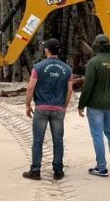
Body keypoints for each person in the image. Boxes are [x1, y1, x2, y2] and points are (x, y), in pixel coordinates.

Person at [23, 38, 73, 181]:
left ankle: (35, 170)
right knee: (58, 140)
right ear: (59, 51)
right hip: (58, 109)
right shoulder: (67, 69)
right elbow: (70, 91)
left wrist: (28, 105)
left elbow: (31, 87)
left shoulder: (38, 67)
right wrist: (64, 106)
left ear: (46, 51)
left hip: (41, 108)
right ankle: (58, 171)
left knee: (38, 140)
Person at [78, 34, 110, 177]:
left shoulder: (94, 62)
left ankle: (101, 167)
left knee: (98, 135)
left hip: (95, 105)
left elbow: (87, 86)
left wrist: (81, 105)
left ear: (96, 45)